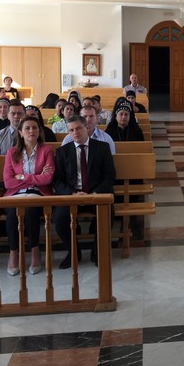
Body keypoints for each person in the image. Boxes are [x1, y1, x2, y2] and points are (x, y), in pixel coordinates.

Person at [53, 115, 116, 268]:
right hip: (73, 195)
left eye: (79, 128)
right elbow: (57, 180)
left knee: (107, 213)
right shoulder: (62, 152)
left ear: (86, 128)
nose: (75, 133)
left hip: (95, 194)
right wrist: (72, 194)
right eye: (71, 130)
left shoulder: (102, 148)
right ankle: (74, 251)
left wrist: (94, 194)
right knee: (59, 218)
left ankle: (97, 252)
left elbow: (110, 176)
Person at [3, 115, 55, 276]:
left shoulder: (46, 150)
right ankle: (13, 253)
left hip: (38, 194)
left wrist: (23, 177)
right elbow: (8, 183)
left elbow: (48, 179)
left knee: (32, 211)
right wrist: (35, 178)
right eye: (27, 128)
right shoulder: (12, 152)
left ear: (39, 131)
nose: (31, 131)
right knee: (12, 214)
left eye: (35, 128)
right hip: (15, 195)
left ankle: (35, 251)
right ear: (20, 132)